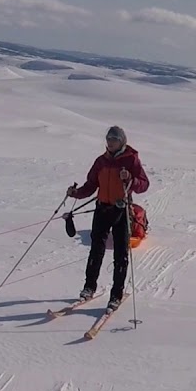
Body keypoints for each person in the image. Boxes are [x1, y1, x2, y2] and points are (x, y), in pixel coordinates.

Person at [67, 125, 150, 310]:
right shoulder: (101, 161)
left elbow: (144, 184)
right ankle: (89, 288)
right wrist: (76, 193)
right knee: (96, 250)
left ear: (121, 141)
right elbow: (90, 185)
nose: (110, 142)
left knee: (121, 253)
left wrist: (130, 179)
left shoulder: (131, 160)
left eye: (114, 139)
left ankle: (116, 295)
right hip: (102, 209)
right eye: (108, 139)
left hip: (121, 211)